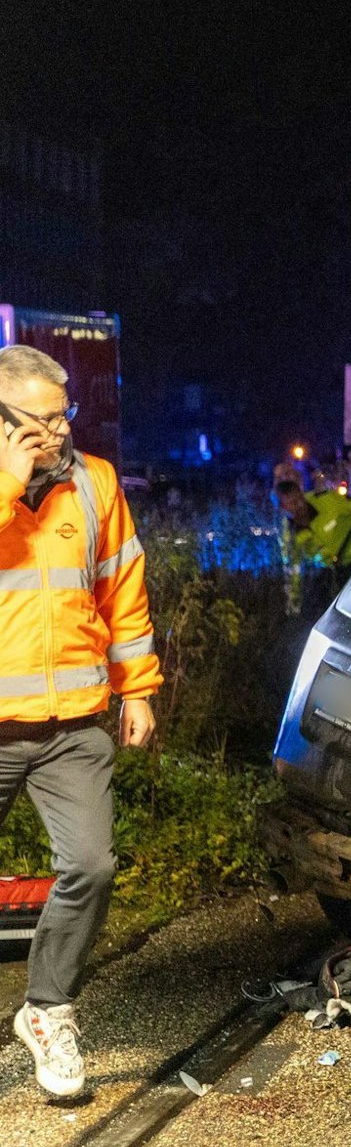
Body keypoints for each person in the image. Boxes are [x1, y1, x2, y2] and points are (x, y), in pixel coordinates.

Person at [0, 344, 161, 1100]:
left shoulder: (95, 483)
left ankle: (47, 1009)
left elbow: (122, 591)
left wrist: (139, 690)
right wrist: (10, 482)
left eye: (64, 415)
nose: (59, 430)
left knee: (92, 867)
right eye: (42, 419)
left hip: (75, 725)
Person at [274, 476, 351, 614]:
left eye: (299, 499)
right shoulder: (290, 537)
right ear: (283, 508)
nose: (299, 506)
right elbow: (293, 568)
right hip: (338, 574)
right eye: (292, 503)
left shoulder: (326, 499)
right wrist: (294, 601)